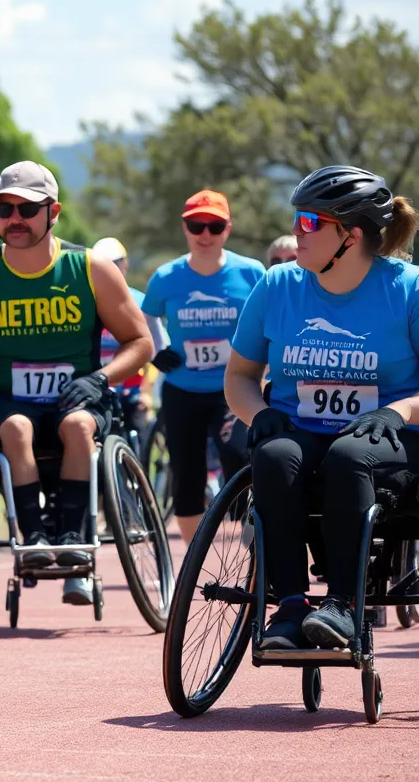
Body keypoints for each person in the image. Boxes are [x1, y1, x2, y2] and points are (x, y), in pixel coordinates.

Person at [0, 161, 153, 606]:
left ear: (53, 212)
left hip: (78, 397)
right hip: (7, 401)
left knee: (78, 428)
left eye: (27, 209)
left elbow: (140, 342)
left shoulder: (90, 268)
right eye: (5, 209)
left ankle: (75, 534)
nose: (14, 219)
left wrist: (100, 378)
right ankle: (32, 536)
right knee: (16, 430)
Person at [226, 165, 419, 650]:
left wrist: (399, 412)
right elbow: (239, 377)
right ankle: (290, 607)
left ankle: (343, 606)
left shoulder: (409, 289)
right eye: (297, 218)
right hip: (301, 429)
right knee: (271, 455)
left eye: (310, 223)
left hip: (389, 440)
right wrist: (258, 412)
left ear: (350, 236)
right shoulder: (277, 286)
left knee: (349, 456)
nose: (296, 230)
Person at [141, 191, 264, 543]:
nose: (205, 234)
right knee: (187, 475)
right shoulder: (166, 277)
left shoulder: (251, 272)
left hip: (234, 387)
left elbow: (270, 318)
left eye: (215, 226)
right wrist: (158, 349)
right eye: (197, 225)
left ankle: (253, 539)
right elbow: (146, 315)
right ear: (185, 227)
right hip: (183, 390)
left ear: (228, 229)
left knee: (238, 457)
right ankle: (195, 564)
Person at [90, 236, 167, 439]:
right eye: (105, 264)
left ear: (125, 264)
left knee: (138, 435)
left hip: (132, 392)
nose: (110, 269)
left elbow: (156, 352)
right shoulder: (83, 302)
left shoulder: (141, 302)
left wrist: (146, 393)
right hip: (97, 389)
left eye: (115, 263)